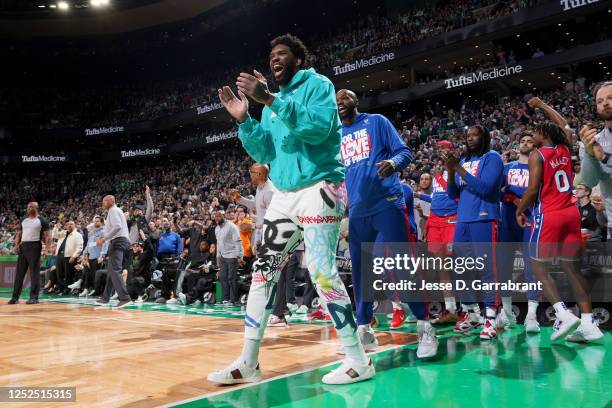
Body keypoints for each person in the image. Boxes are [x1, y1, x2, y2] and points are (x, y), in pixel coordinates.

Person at [209, 34, 373, 385]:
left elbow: (316, 131)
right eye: (271, 56)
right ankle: (248, 361)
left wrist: (268, 98)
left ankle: (358, 360)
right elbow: (264, 153)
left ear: (299, 59)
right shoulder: (272, 104)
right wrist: (244, 121)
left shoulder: (319, 85)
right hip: (284, 193)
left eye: (282, 54)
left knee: (322, 270)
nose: (275, 60)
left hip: (320, 187)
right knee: (262, 271)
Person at [336, 88, 435, 359]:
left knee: (404, 267)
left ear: (356, 101)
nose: (340, 103)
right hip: (357, 211)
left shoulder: (376, 121)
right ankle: (364, 330)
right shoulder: (336, 136)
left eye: (345, 97)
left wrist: (393, 162)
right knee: (360, 273)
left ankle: (425, 327)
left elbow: (404, 151)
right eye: (336, 101)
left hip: (387, 202)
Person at [516, 122, 603, 343]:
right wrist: (543, 105)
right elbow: (565, 126)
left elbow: (533, 189)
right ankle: (588, 322)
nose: (533, 135)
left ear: (544, 134)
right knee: (572, 269)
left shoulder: (538, 154)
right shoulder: (564, 149)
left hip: (550, 215)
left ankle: (563, 314)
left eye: (535, 132)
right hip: (571, 213)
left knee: (537, 266)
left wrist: (519, 209)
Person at [442, 125, 504, 340]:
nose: (469, 138)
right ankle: (472, 314)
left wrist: (457, 168)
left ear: (484, 136)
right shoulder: (465, 162)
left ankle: (491, 319)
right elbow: (452, 194)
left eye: (474, 135)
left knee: (487, 270)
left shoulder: (493, 157)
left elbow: (486, 188)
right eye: (467, 135)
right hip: (463, 220)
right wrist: (451, 171)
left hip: (485, 217)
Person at [497, 131, 540, 333]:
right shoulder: (506, 167)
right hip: (507, 222)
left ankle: (532, 315)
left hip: (531, 220)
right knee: (504, 267)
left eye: (529, 141)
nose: (525, 143)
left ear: (535, 146)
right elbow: (496, 191)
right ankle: (506, 311)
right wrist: (512, 199)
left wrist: (516, 197)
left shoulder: (539, 167)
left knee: (533, 268)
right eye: (522, 141)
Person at [417, 141, 460, 326]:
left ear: (452, 151)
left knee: (460, 265)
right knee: (441, 267)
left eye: (446, 149)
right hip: (435, 222)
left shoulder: (458, 171)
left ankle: (468, 308)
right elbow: (436, 197)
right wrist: (419, 195)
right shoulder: (435, 175)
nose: (442, 153)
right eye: (440, 150)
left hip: (452, 220)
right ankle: (450, 309)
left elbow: (455, 195)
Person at [579, 81, 612, 240]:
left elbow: (604, 158)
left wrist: (605, 158)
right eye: (600, 101)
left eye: (610, 98)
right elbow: (590, 181)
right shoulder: (596, 140)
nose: (605, 103)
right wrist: (589, 153)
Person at [95, 195, 133, 309]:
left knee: (115, 270)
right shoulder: (115, 211)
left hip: (118, 241)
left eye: (104, 201)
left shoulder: (113, 211)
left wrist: (104, 238)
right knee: (112, 271)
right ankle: (105, 298)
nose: (103, 203)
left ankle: (125, 298)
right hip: (120, 241)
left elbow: (117, 227)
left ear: (111, 201)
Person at [9, 201, 50, 304]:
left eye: (31, 207)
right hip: (23, 246)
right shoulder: (24, 220)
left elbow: (47, 237)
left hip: (35, 246)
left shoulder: (42, 220)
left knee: (34, 273)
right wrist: (16, 245)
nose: (29, 208)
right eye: (28, 207)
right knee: (19, 273)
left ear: (36, 208)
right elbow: (19, 233)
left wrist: (46, 250)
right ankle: (15, 297)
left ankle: (34, 297)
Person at [214, 210, 245, 305]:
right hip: (223, 256)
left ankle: (233, 300)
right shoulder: (217, 229)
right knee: (223, 278)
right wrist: (218, 257)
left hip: (233, 255)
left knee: (231, 278)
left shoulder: (232, 226)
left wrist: (239, 257)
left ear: (224, 216)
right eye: (215, 216)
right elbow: (218, 243)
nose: (217, 218)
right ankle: (225, 299)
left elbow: (238, 241)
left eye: (219, 216)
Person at [54, 220, 84, 295]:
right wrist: (55, 228)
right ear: (66, 226)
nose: (70, 225)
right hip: (59, 255)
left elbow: (79, 247)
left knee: (68, 274)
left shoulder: (78, 235)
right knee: (59, 273)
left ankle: (67, 289)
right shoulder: (63, 233)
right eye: (68, 224)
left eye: (71, 224)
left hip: (69, 256)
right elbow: (54, 235)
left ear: (75, 226)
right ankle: (61, 288)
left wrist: (74, 256)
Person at [80, 216, 107, 297]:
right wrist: (84, 254)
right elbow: (88, 244)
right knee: (90, 274)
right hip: (90, 256)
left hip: (97, 256)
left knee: (97, 275)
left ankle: (97, 290)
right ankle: (88, 289)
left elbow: (105, 243)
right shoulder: (91, 232)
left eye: (98, 221)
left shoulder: (103, 231)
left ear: (101, 222)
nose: (96, 223)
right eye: (95, 221)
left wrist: (102, 254)